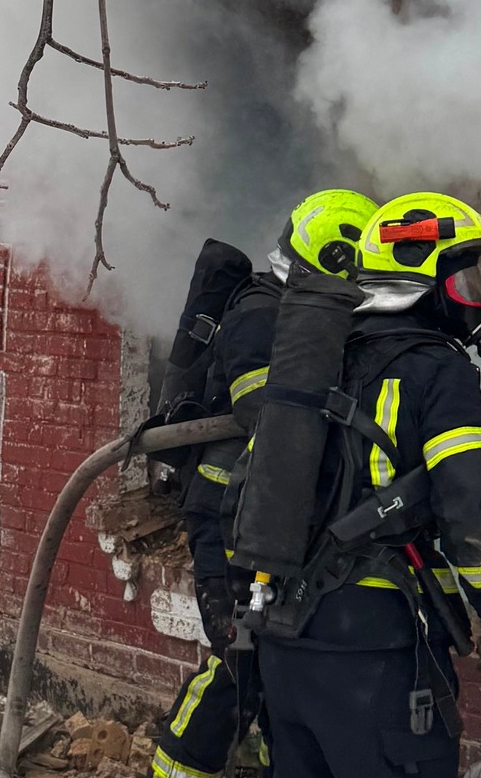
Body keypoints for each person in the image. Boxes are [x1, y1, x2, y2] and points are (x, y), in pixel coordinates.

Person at [244, 192, 481, 778]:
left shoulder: (313, 361)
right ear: (421, 285)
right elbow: (473, 517)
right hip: (374, 654)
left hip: (283, 641)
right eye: (460, 280)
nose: (472, 299)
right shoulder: (436, 370)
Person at [152, 190, 379, 778]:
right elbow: (268, 417)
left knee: (275, 664)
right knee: (237, 659)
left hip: (268, 516)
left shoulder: (307, 313)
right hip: (226, 510)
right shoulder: (260, 311)